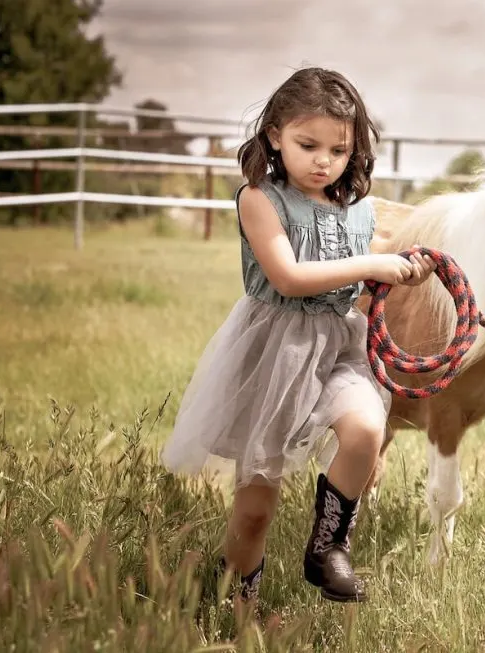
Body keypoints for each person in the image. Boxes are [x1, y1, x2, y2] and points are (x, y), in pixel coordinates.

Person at [160, 66, 435, 603]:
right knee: (256, 507)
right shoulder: (259, 200)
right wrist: (371, 263)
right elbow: (288, 278)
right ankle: (235, 597)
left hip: (339, 347)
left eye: (338, 150)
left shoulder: (360, 213)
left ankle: (329, 546)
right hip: (277, 354)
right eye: (308, 145)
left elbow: (350, 293)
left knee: (365, 432)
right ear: (274, 136)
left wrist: (401, 273)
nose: (323, 161)